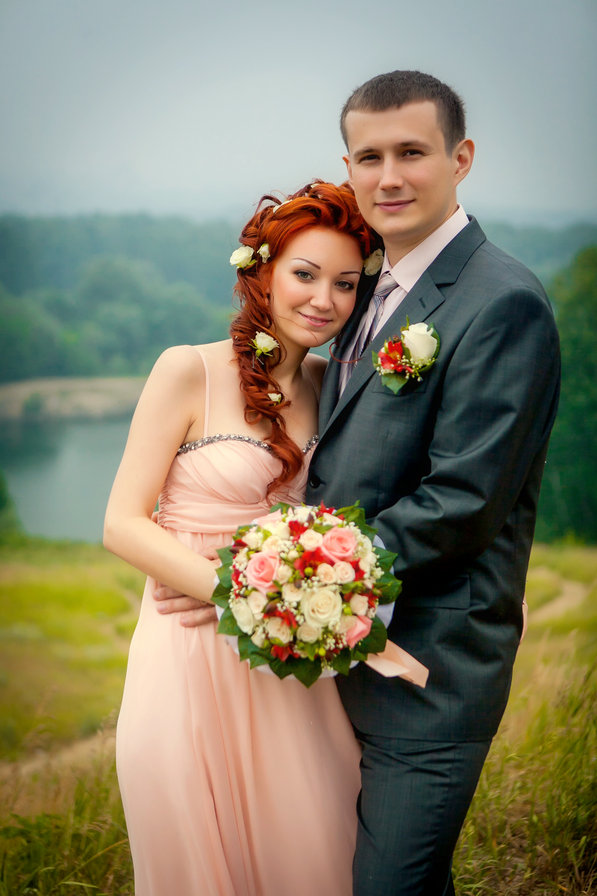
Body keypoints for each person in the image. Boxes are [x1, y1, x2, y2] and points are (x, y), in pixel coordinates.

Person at [301, 71, 561, 894]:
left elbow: (463, 502)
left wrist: (297, 575)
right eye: (368, 156)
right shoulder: (365, 289)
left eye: (411, 152)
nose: (388, 177)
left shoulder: (501, 301)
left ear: (461, 158)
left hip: (428, 672)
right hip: (340, 661)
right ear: (348, 166)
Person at [103, 180, 377, 896]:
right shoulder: (187, 370)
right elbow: (122, 522)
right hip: (187, 656)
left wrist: (291, 600)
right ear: (263, 271)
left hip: (291, 665)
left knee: (317, 853)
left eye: (345, 284)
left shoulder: (335, 385)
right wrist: (231, 591)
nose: (324, 300)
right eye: (305, 274)